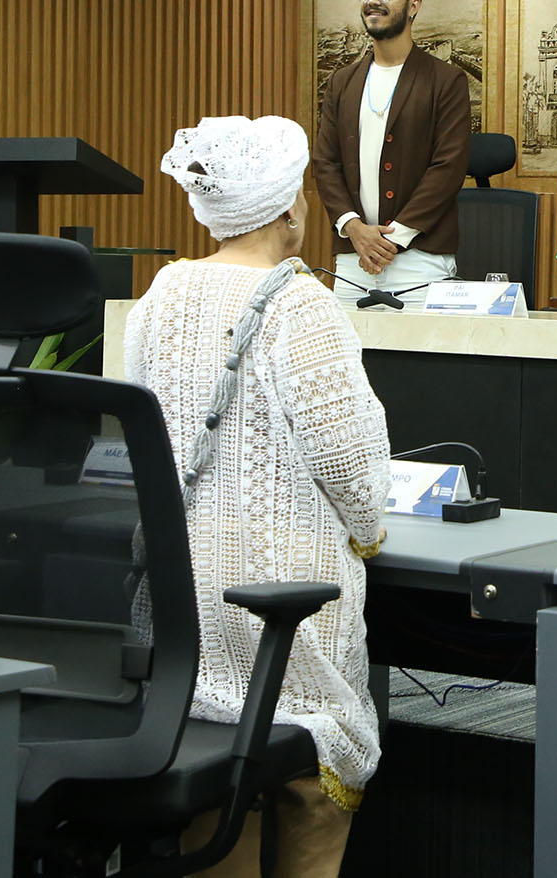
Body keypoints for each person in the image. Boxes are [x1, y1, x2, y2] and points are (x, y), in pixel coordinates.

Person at [128, 116, 391, 875]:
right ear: (286, 210)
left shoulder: (162, 292)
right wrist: (369, 532)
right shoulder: (301, 304)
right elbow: (349, 464)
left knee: (217, 777)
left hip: (183, 596)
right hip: (286, 601)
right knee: (314, 774)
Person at [312, 0, 472, 299]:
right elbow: (325, 163)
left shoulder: (445, 81)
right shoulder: (342, 82)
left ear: (413, 6)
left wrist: (392, 239)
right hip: (353, 258)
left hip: (420, 261)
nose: (373, 0)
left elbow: (448, 167)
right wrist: (353, 227)